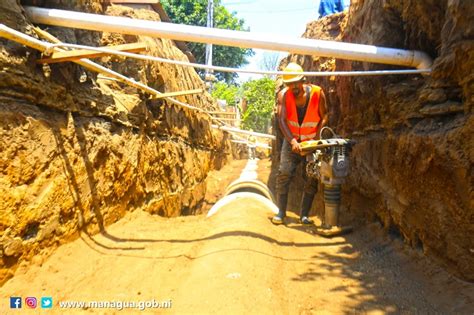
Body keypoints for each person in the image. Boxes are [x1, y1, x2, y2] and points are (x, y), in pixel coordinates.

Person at [272, 62, 328, 225]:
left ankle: (304, 215)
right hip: (292, 142)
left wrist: (316, 140)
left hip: (312, 143)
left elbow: (325, 116)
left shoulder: (318, 93)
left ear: (303, 80)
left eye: (296, 83)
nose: (294, 87)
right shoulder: (283, 95)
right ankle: (281, 212)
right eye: (290, 84)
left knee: (313, 176)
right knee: (284, 173)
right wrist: (293, 141)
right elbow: (281, 120)